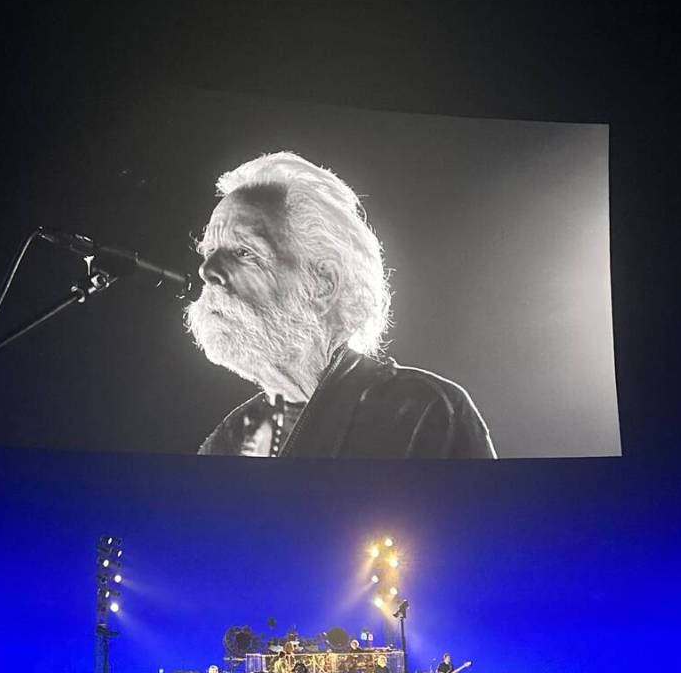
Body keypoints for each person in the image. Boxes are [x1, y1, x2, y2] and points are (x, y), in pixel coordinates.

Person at [185, 152, 496, 460]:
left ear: (324, 284)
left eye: (243, 251)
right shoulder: (229, 439)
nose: (206, 269)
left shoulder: (423, 411)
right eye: (209, 251)